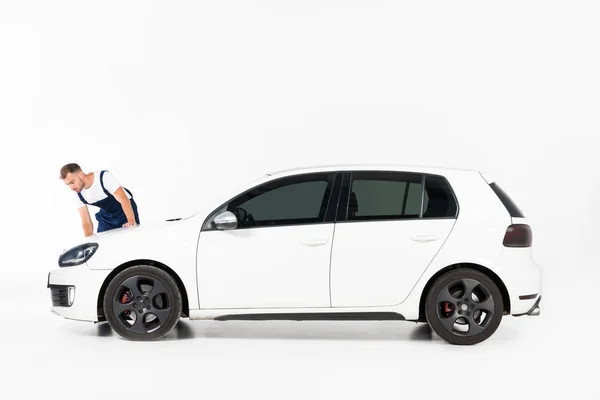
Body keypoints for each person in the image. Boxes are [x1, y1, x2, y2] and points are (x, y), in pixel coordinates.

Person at [60, 163, 140, 237]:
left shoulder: (104, 177)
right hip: (106, 216)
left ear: (80, 174)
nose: (71, 188)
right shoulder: (78, 191)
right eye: (68, 184)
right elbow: (85, 220)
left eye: (72, 182)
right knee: (102, 244)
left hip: (126, 211)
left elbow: (124, 199)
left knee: (129, 239)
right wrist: (88, 240)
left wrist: (131, 220)